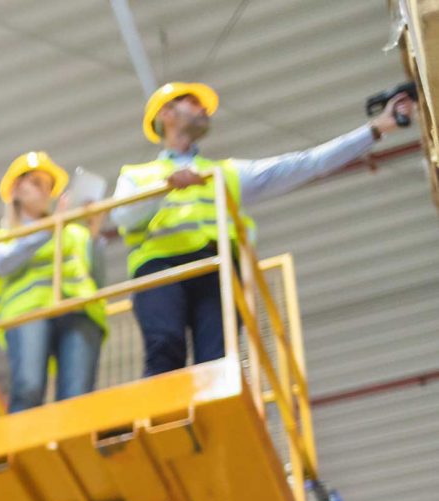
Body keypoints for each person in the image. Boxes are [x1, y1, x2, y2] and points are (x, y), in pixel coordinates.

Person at [111, 80, 417, 376]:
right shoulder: (138, 175)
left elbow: (307, 164)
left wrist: (377, 128)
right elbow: (123, 217)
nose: (204, 109)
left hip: (216, 269)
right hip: (159, 269)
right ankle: (161, 422)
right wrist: (166, 187)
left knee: (217, 361)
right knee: (165, 344)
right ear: (166, 113)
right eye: (192, 103)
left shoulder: (226, 172)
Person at [0, 151, 107, 412]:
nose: (44, 193)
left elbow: (97, 278)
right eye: (36, 183)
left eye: (47, 187)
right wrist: (50, 229)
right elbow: (1, 264)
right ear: (16, 188)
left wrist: (93, 232)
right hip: (28, 315)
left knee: (77, 397)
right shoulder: (0, 237)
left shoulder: (73, 231)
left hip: (78, 311)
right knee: (28, 389)